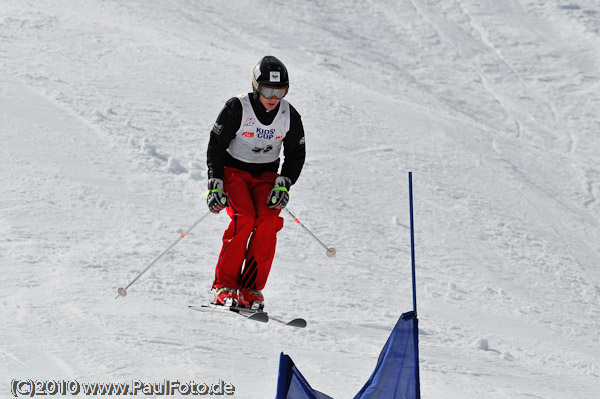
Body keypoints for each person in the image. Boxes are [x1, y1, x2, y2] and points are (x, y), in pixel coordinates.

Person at [205, 56, 306, 310]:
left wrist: (285, 182)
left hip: (266, 177)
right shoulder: (237, 108)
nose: (274, 97)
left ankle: (250, 289)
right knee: (244, 217)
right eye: (267, 90)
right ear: (255, 87)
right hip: (234, 172)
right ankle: (224, 286)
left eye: (280, 91)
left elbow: (296, 154)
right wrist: (215, 180)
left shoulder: (288, 115)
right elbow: (216, 146)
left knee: (268, 221)